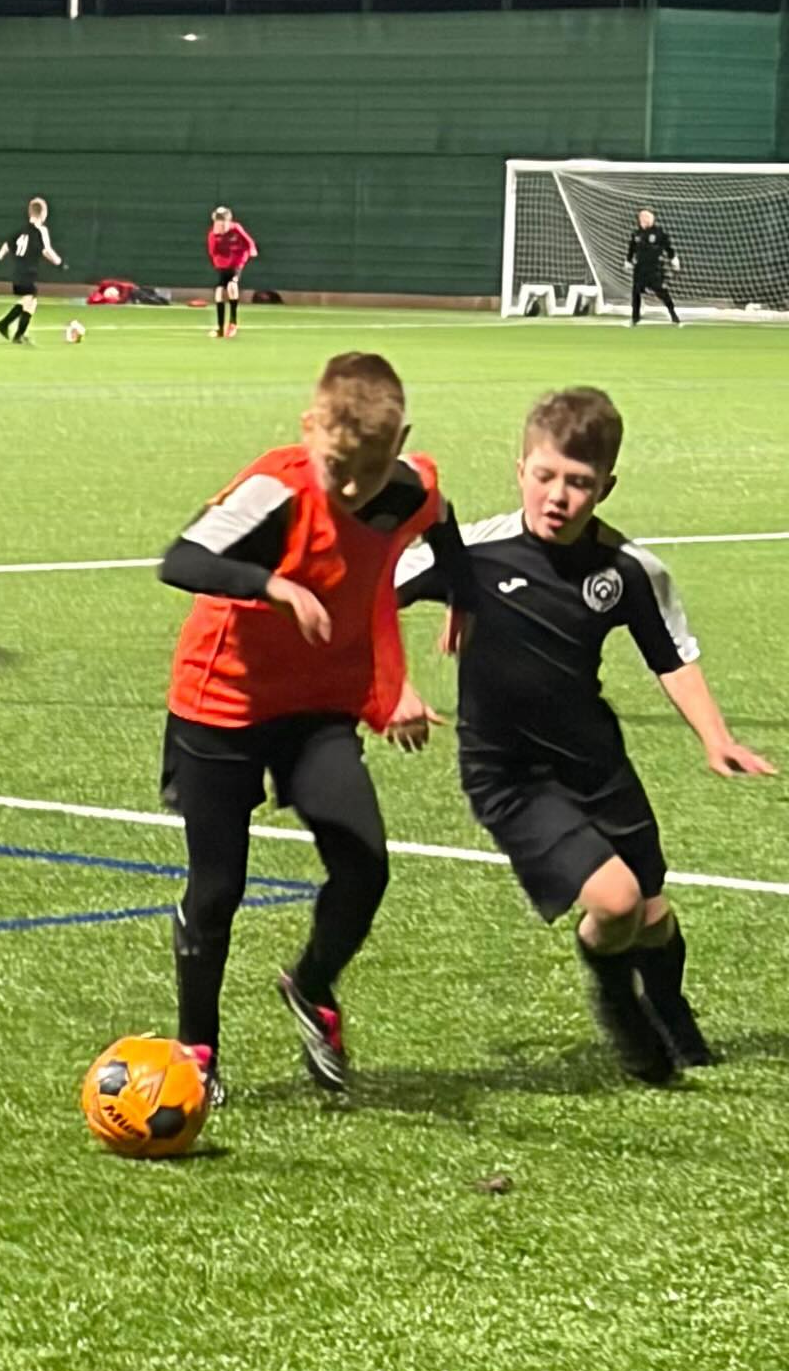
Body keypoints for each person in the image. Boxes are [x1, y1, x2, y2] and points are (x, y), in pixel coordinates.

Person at [396, 386, 774, 1083]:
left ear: (607, 485)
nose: (559, 496)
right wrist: (392, 686)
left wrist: (714, 737)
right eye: (545, 476)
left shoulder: (628, 569)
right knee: (618, 902)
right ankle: (614, 997)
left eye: (580, 483)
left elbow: (672, 656)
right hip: (507, 773)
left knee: (654, 912)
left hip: (596, 764)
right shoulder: (472, 553)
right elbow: (367, 596)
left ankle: (670, 1012)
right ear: (520, 471)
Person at [160, 351, 472, 1100]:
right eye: (339, 465)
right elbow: (180, 560)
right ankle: (197, 1050)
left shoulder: (408, 489)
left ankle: (312, 984)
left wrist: (463, 597)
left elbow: (444, 524)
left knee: (366, 864)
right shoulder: (277, 487)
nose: (355, 487)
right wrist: (274, 587)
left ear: (400, 445)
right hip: (221, 705)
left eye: (372, 466)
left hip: (318, 713)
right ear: (311, 428)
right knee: (216, 889)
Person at [0, 198, 62, 345]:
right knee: (29, 300)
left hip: (18, 272)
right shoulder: (41, 231)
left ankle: (16, 333)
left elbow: (6, 245)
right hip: (27, 272)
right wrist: (59, 263)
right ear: (43, 214)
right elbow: (46, 250)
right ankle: (6, 326)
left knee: (30, 302)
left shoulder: (21, 231)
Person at [206, 206, 257, 339]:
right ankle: (220, 328)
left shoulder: (236, 229)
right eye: (218, 221)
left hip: (237, 262)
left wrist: (251, 250)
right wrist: (221, 263)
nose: (221, 224)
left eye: (224, 221)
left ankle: (233, 323)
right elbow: (213, 253)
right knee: (219, 293)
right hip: (223, 266)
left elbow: (249, 242)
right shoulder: (213, 235)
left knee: (232, 286)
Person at [625, 208, 681, 326]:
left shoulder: (658, 233)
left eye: (646, 217)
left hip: (655, 268)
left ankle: (673, 314)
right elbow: (631, 249)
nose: (643, 219)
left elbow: (668, 247)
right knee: (636, 292)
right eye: (641, 217)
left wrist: (673, 259)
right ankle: (635, 318)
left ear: (652, 219)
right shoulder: (636, 234)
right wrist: (628, 261)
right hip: (640, 268)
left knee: (662, 292)